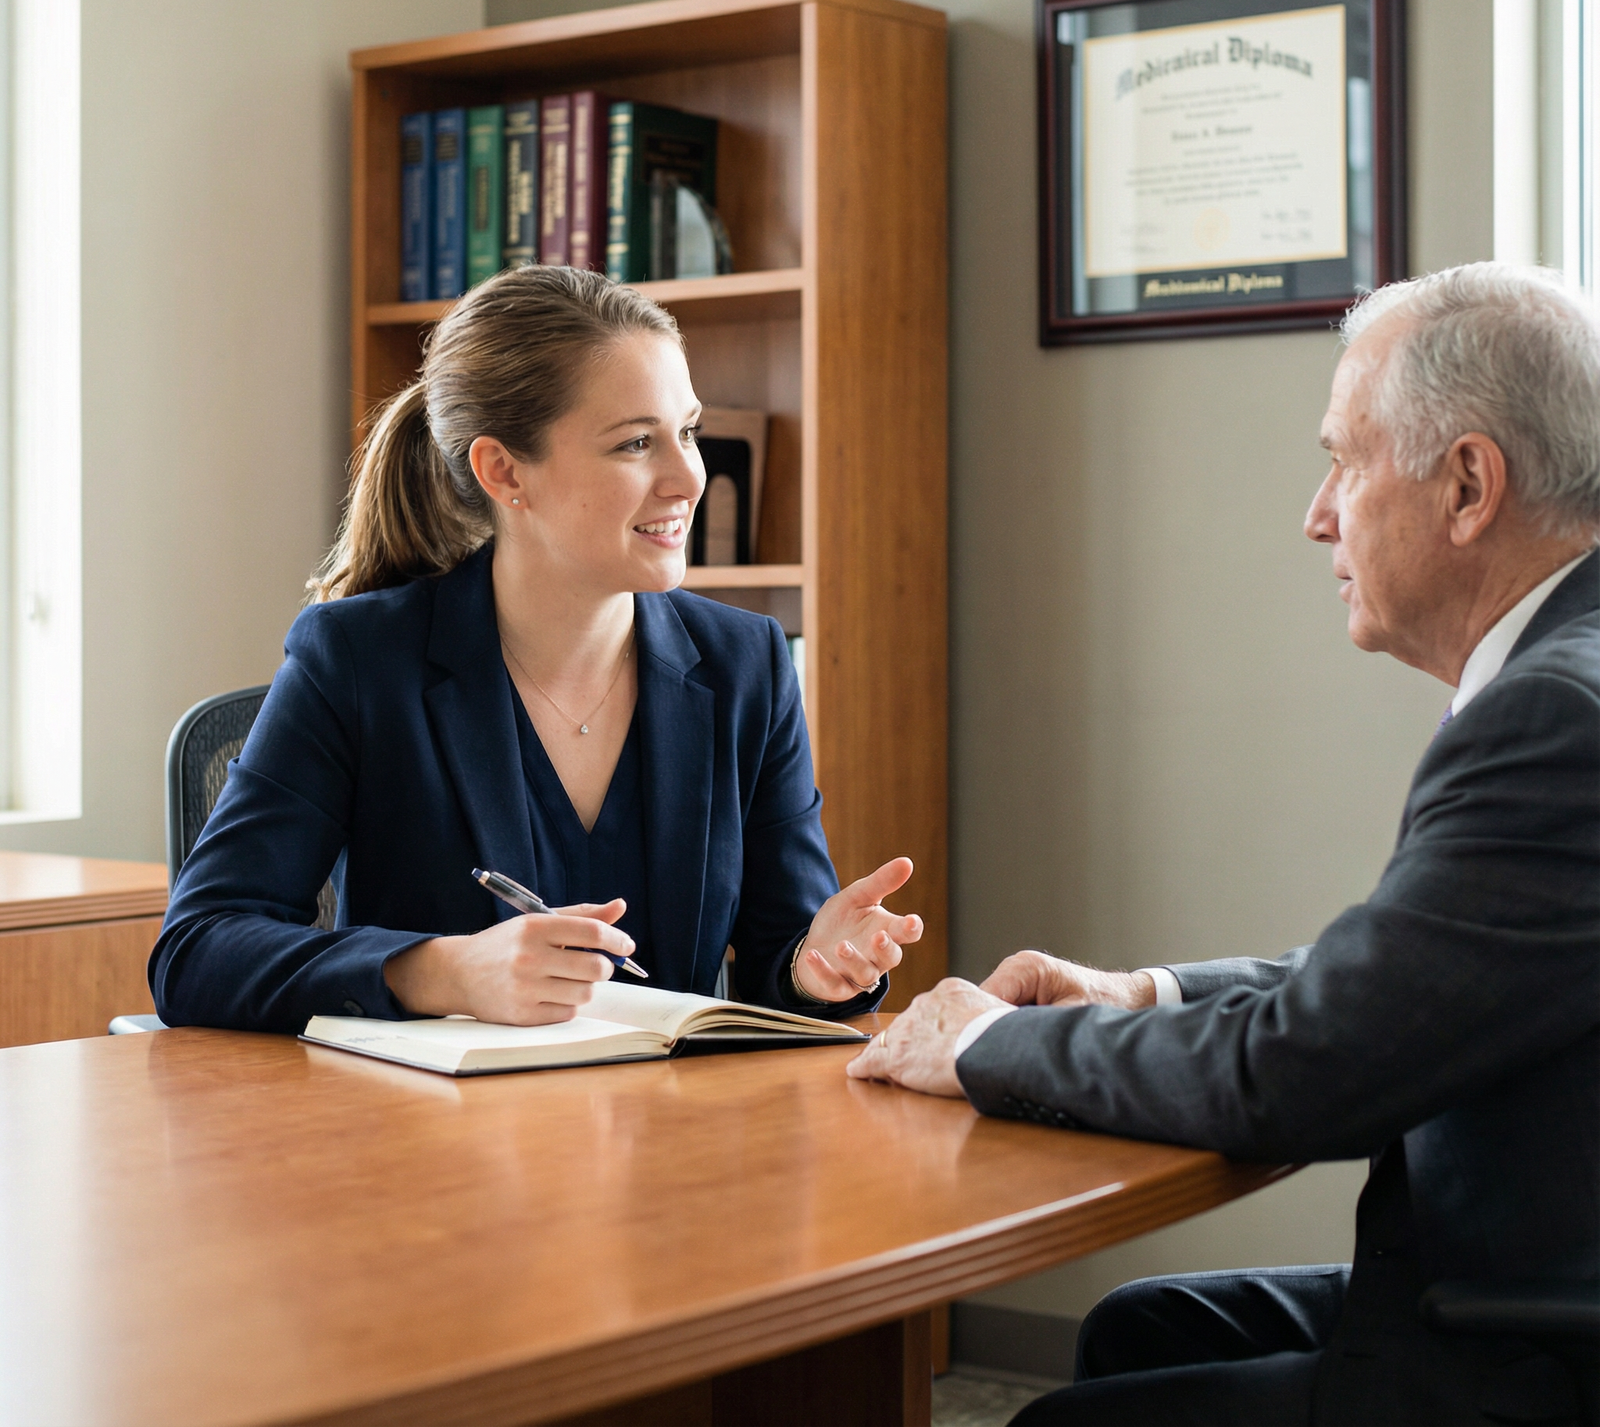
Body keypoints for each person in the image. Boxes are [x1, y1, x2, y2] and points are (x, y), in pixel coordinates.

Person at [848, 263, 1600, 1425]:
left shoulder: (1554, 719)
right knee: (1138, 1328)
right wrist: (1144, 993)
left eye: (1342, 460)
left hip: (1538, 1345)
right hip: (1533, 1279)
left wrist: (992, 1045)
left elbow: (1303, 1078)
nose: (1315, 513)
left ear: (1466, 485)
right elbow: (1411, 978)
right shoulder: (1569, 670)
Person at [152, 265, 922, 1032]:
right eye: (635, 443)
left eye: (686, 430)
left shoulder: (746, 663)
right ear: (504, 471)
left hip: (675, 1135)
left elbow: (775, 963)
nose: (689, 475)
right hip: (431, 1139)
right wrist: (443, 971)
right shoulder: (357, 660)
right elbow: (197, 950)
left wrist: (814, 967)